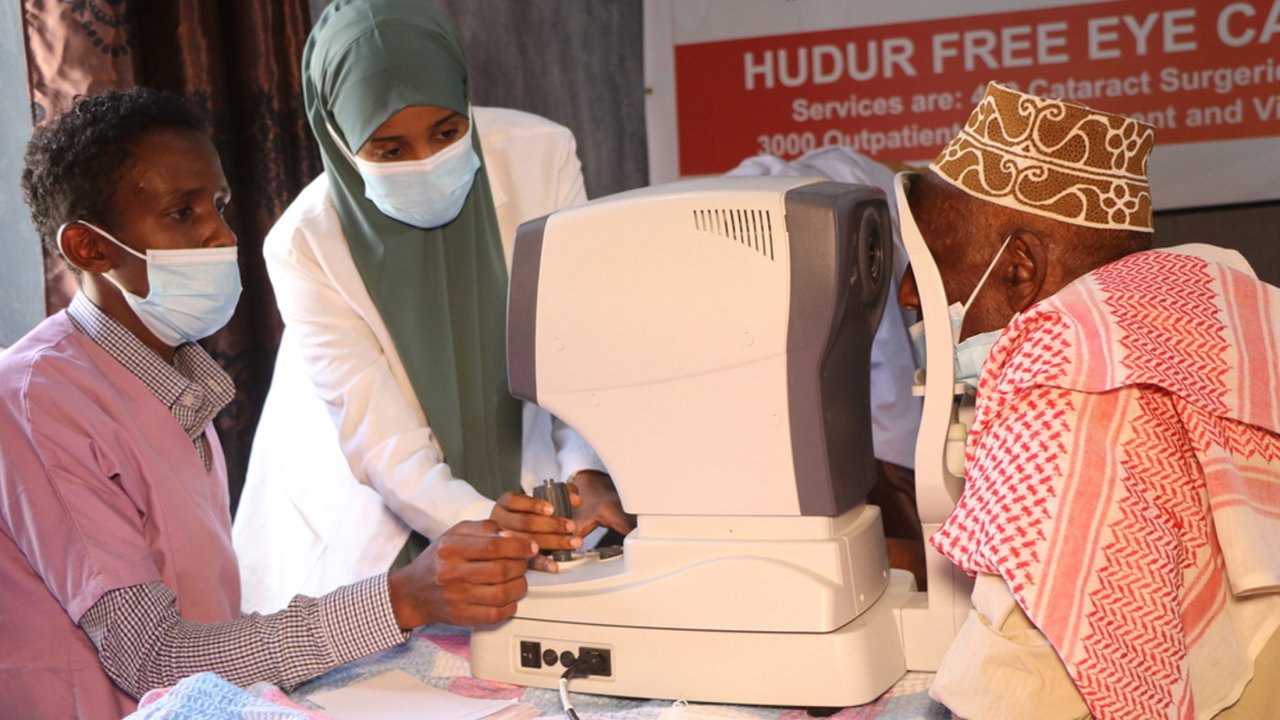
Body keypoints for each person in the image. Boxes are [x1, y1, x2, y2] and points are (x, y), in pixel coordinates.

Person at [1, 86, 539, 720]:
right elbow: (151, 656)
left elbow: (202, 623)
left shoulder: (172, 385)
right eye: (182, 213)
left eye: (219, 205)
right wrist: (400, 600)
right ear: (88, 248)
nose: (219, 235)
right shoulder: (39, 402)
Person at [897, 82, 1280, 718]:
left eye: (932, 262)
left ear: (1019, 267)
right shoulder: (1213, 305)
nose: (910, 294)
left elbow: (1011, 699)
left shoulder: (1059, 392)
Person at [233, 0, 631, 613]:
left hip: (527, 476)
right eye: (389, 150)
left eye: (447, 133)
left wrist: (586, 469)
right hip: (373, 523)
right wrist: (478, 522)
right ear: (340, 141)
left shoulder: (540, 156)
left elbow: (573, 341)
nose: (425, 161)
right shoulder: (303, 244)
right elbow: (381, 439)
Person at [726, 147, 926, 582]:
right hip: (848, 443)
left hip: (882, 445)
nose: (910, 294)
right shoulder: (824, 187)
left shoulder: (846, 183)